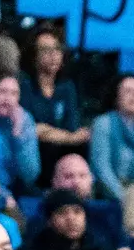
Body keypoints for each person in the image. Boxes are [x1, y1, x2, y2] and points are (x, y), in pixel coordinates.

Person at [21, 28, 87, 173]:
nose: (53, 55)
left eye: (57, 49)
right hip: (34, 154)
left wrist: (49, 131)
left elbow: (73, 128)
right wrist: (69, 138)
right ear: (34, 56)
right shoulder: (24, 85)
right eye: (45, 50)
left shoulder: (67, 87)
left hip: (62, 154)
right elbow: (30, 130)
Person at [89, 74, 134, 203]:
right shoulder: (103, 123)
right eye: (128, 91)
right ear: (116, 98)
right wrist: (125, 198)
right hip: (106, 196)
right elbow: (101, 168)